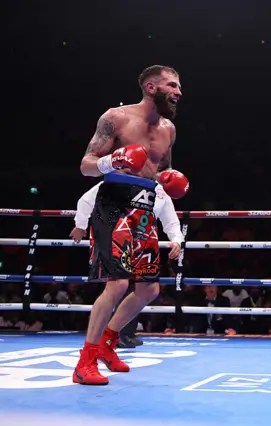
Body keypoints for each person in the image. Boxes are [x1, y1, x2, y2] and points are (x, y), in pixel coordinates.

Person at [71, 65, 190, 385]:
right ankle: (85, 362)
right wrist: (112, 161)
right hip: (113, 205)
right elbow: (86, 166)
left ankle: (108, 343)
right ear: (151, 87)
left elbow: (161, 171)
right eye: (172, 85)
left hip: (145, 208)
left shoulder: (168, 129)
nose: (179, 92)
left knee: (149, 289)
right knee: (118, 283)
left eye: (179, 86)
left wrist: (169, 179)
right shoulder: (116, 117)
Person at [69, 181, 185, 348]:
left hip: (144, 239)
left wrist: (176, 240)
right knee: (118, 285)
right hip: (116, 234)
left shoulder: (160, 190)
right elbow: (86, 200)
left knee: (149, 289)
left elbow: (171, 221)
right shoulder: (119, 179)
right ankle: (91, 348)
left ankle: (108, 338)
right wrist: (80, 225)